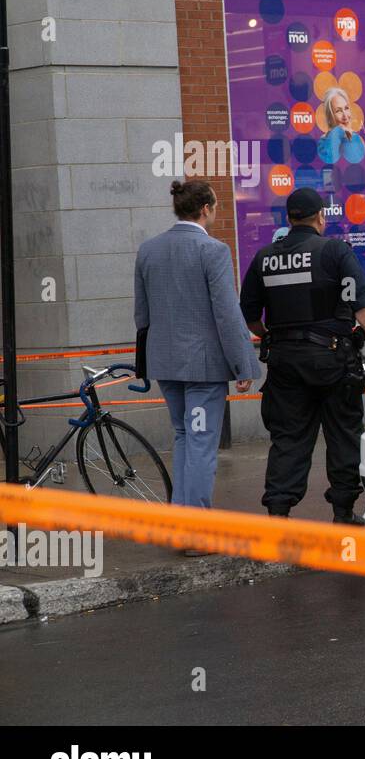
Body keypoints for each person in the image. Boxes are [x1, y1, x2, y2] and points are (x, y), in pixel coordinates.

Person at [239, 187, 365, 523]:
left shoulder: (265, 257)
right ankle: (343, 512)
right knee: (342, 434)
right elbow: (361, 304)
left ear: (289, 218)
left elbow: (248, 312)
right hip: (333, 361)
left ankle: (278, 512)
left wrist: (269, 336)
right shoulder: (335, 251)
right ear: (321, 217)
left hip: (284, 363)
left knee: (289, 437)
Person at [134, 181, 260, 524]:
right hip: (203, 366)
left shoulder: (148, 250)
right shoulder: (213, 251)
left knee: (184, 436)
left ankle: (181, 520)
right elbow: (227, 313)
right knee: (203, 443)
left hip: (165, 361)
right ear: (205, 209)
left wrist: (146, 362)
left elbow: (142, 314)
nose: (217, 211)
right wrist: (242, 365)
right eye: (216, 205)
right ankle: (196, 527)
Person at [318, 86, 365, 165]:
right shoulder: (323, 143)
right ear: (329, 117)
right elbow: (330, 157)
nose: (345, 116)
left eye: (346, 108)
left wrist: (348, 134)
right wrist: (338, 131)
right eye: (338, 111)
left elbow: (356, 157)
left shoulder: (356, 138)